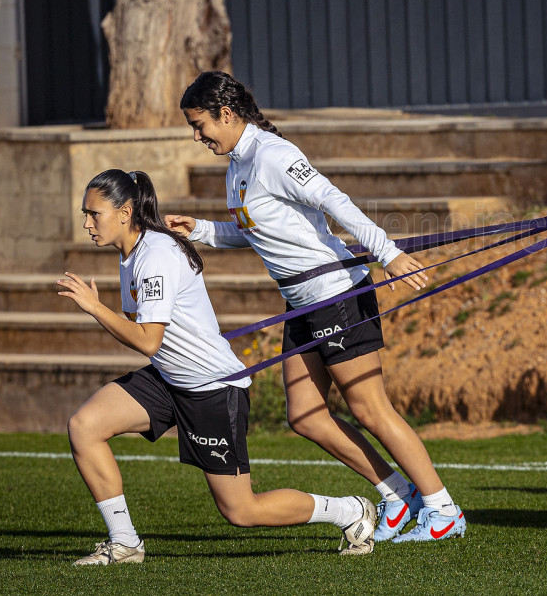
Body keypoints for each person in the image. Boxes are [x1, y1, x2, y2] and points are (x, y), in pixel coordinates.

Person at [166, 71, 465, 545]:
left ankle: (443, 510)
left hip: (337, 295)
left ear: (225, 113)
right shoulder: (238, 165)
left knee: (369, 408)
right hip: (300, 303)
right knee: (305, 416)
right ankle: (397, 493)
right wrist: (200, 230)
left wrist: (387, 253)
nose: (197, 136)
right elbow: (255, 233)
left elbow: (333, 200)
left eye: (199, 125)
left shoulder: (273, 155)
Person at [59, 169, 377, 565]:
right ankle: (124, 543)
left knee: (242, 511)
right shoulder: (132, 253)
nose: (87, 223)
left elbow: (147, 340)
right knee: (85, 426)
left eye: (94, 213)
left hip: (212, 387)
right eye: (85, 214)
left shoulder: (155, 254)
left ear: (125, 213)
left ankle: (350, 510)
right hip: (169, 378)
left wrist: (95, 308)